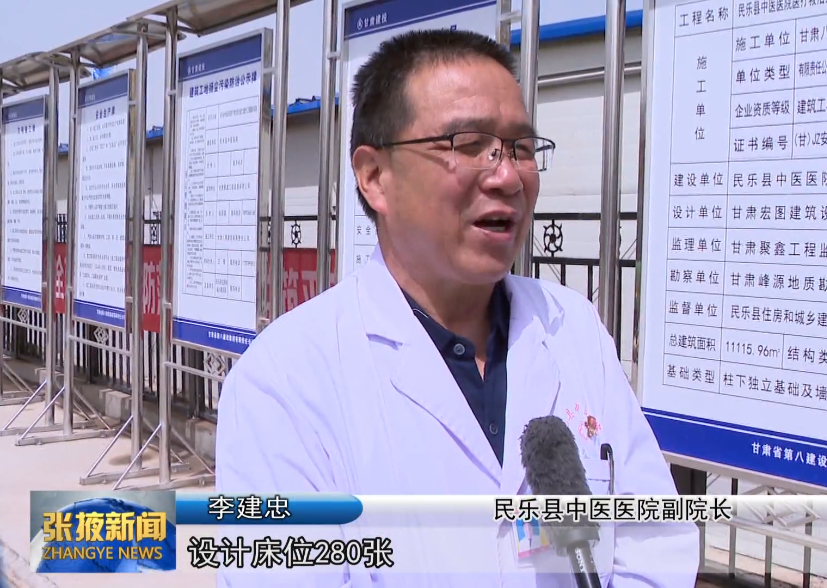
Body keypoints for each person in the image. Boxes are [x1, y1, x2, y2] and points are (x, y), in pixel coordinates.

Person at [215, 28, 700, 587]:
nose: (508, 176)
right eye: (468, 145)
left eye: (521, 148)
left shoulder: (573, 327)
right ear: (375, 177)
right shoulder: (284, 379)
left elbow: (653, 545)